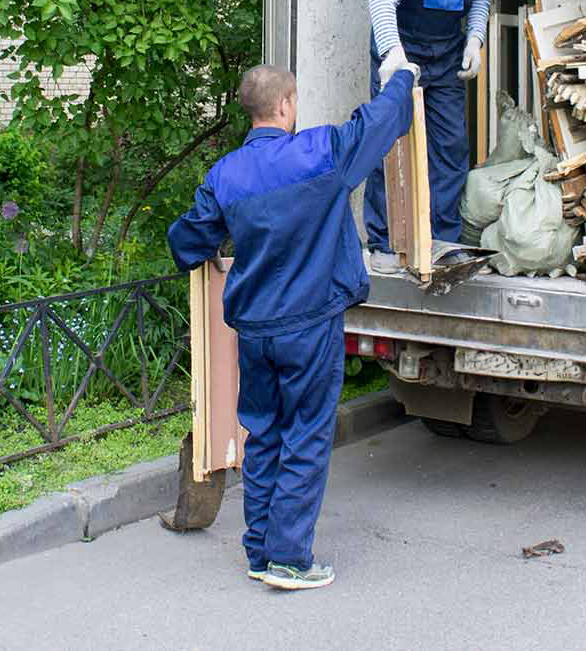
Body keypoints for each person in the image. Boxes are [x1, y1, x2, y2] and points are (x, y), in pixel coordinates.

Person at [167, 62, 418, 591]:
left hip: (255, 331)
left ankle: (259, 551)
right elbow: (382, 121)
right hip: (308, 326)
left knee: (264, 435)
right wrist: (400, 74)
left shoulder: (225, 175)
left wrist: (214, 246)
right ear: (285, 105)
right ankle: (288, 560)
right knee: (306, 433)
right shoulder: (320, 153)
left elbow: (184, 241)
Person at [363, 0, 497, 272]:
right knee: (388, 143)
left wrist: (475, 40)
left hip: (446, 55)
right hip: (401, 49)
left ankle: (444, 240)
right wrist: (393, 55)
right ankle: (383, 243)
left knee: (451, 147)